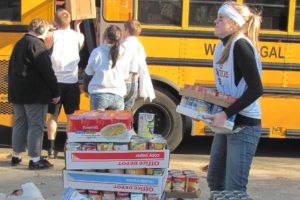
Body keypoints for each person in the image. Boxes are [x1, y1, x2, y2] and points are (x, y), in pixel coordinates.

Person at [204, 2, 263, 192]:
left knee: (234, 190)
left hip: (244, 125)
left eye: (221, 18)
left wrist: (225, 113)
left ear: (234, 23)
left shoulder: (241, 46)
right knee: (214, 181)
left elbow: (256, 89)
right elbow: (227, 88)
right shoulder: (221, 47)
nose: (215, 21)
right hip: (228, 121)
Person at [8, 18, 60, 170]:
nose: (49, 34)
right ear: (42, 31)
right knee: (35, 125)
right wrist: (55, 91)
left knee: (19, 123)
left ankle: (16, 156)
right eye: (49, 31)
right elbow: (47, 72)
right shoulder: (37, 45)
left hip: (17, 93)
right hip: (34, 94)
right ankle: (35, 159)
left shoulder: (20, 43)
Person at [46, 8, 84, 158]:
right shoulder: (79, 37)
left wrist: (50, 26)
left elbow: (44, 43)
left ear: (56, 21)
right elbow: (80, 44)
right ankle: (69, 147)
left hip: (54, 82)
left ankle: (51, 148)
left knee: (53, 117)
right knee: (70, 117)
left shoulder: (51, 36)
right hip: (72, 82)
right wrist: (77, 26)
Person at [83, 25, 129, 110]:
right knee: (116, 123)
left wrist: (86, 89)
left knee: (98, 123)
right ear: (120, 38)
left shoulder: (97, 52)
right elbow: (126, 76)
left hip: (99, 94)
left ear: (105, 37)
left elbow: (88, 73)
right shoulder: (124, 53)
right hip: (118, 95)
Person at [122, 19, 155, 111]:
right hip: (135, 81)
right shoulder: (139, 45)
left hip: (125, 81)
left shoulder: (125, 45)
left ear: (127, 30)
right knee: (128, 109)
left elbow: (122, 64)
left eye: (124, 29)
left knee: (119, 109)